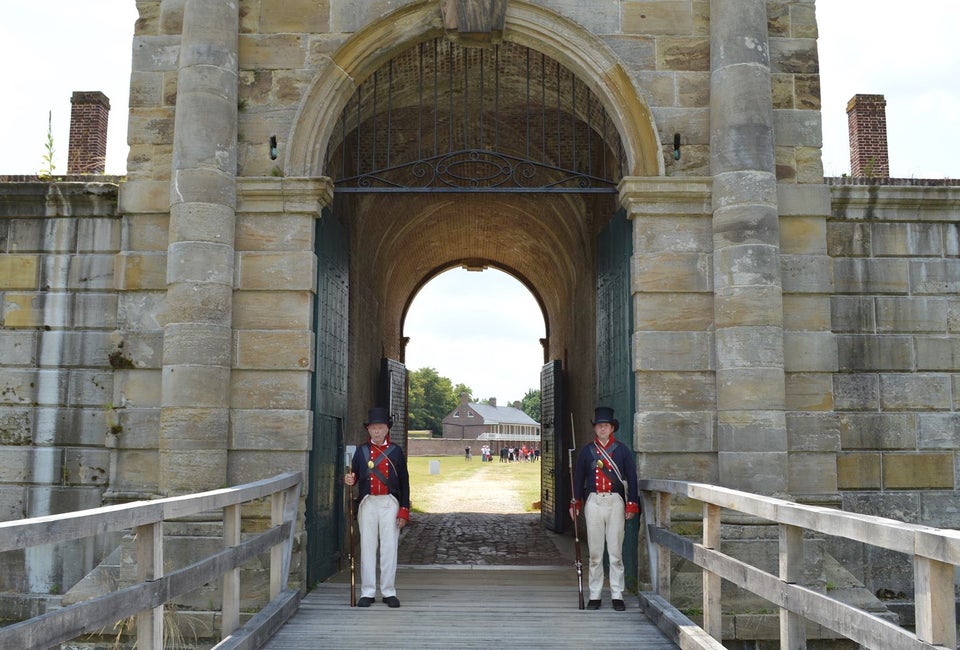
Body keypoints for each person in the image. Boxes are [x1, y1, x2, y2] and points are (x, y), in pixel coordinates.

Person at [570, 406, 639, 611]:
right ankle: (595, 594)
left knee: (615, 553)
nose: (602, 429)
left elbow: (632, 478)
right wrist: (575, 502)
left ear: (612, 428)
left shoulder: (622, 450)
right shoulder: (587, 451)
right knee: (595, 553)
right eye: (599, 426)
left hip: (615, 502)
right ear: (595, 429)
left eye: (606, 426)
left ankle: (617, 594)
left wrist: (631, 503)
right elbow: (578, 478)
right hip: (594, 502)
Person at [344, 407, 410, 607]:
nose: (377, 432)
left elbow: (405, 482)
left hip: (389, 502)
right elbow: (354, 476)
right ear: (369, 430)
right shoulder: (361, 451)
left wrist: (404, 510)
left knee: (389, 548)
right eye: (373, 428)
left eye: (380, 428)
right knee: (368, 547)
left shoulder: (396, 451)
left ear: (386, 429)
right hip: (368, 503)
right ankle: (368, 591)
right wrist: (348, 479)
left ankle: (389, 591)